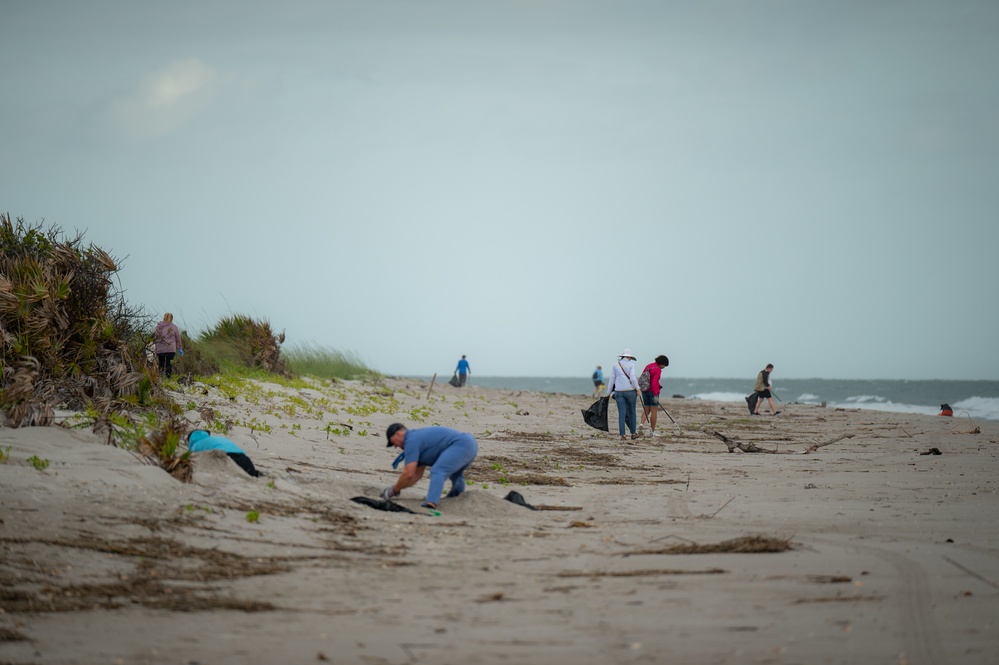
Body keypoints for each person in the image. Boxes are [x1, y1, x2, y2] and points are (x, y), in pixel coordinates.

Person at [381, 423, 478, 510]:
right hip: (469, 444)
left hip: (460, 444)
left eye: (393, 442)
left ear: (398, 434)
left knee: (438, 470)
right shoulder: (415, 438)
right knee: (456, 474)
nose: (395, 446)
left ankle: (431, 503)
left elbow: (408, 474)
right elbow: (416, 476)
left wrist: (393, 490)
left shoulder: (411, 440)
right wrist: (396, 489)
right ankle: (456, 498)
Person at [187, 429, 261, 477]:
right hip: (245, 459)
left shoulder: (196, 445)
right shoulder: (217, 439)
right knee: (252, 475)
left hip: (229, 459)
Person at [605, 349, 640, 441]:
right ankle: (633, 433)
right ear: (629, 357)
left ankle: (622, 435)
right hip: (630, 391)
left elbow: (612, 380)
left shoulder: (616, 365)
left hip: (619, 391)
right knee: (632, 412)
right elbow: (633, 378)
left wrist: (608, 393)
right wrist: (638, 388)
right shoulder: (631, 365)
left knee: (622, 413)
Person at [638, 355, 670, 437]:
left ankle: (641, 424)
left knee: (646, 409)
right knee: (654, 411)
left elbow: (643, 378)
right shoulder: (658, 370)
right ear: (662, 363)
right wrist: (655, 395)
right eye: (664, 365)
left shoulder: (648, 366)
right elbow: (654, 383)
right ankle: (652, 431)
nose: (664, 367)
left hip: (645, 390)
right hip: (652, 392)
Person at [152, 313, 183, 378]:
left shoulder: (159, 326)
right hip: (170, 349)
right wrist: (179, 348)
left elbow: (153, 335)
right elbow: (178, 338)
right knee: (169, 365)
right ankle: (168, 378)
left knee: (161, 364)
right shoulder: (173, 327)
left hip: (160, 349)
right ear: (171, 318)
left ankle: (161, 377)